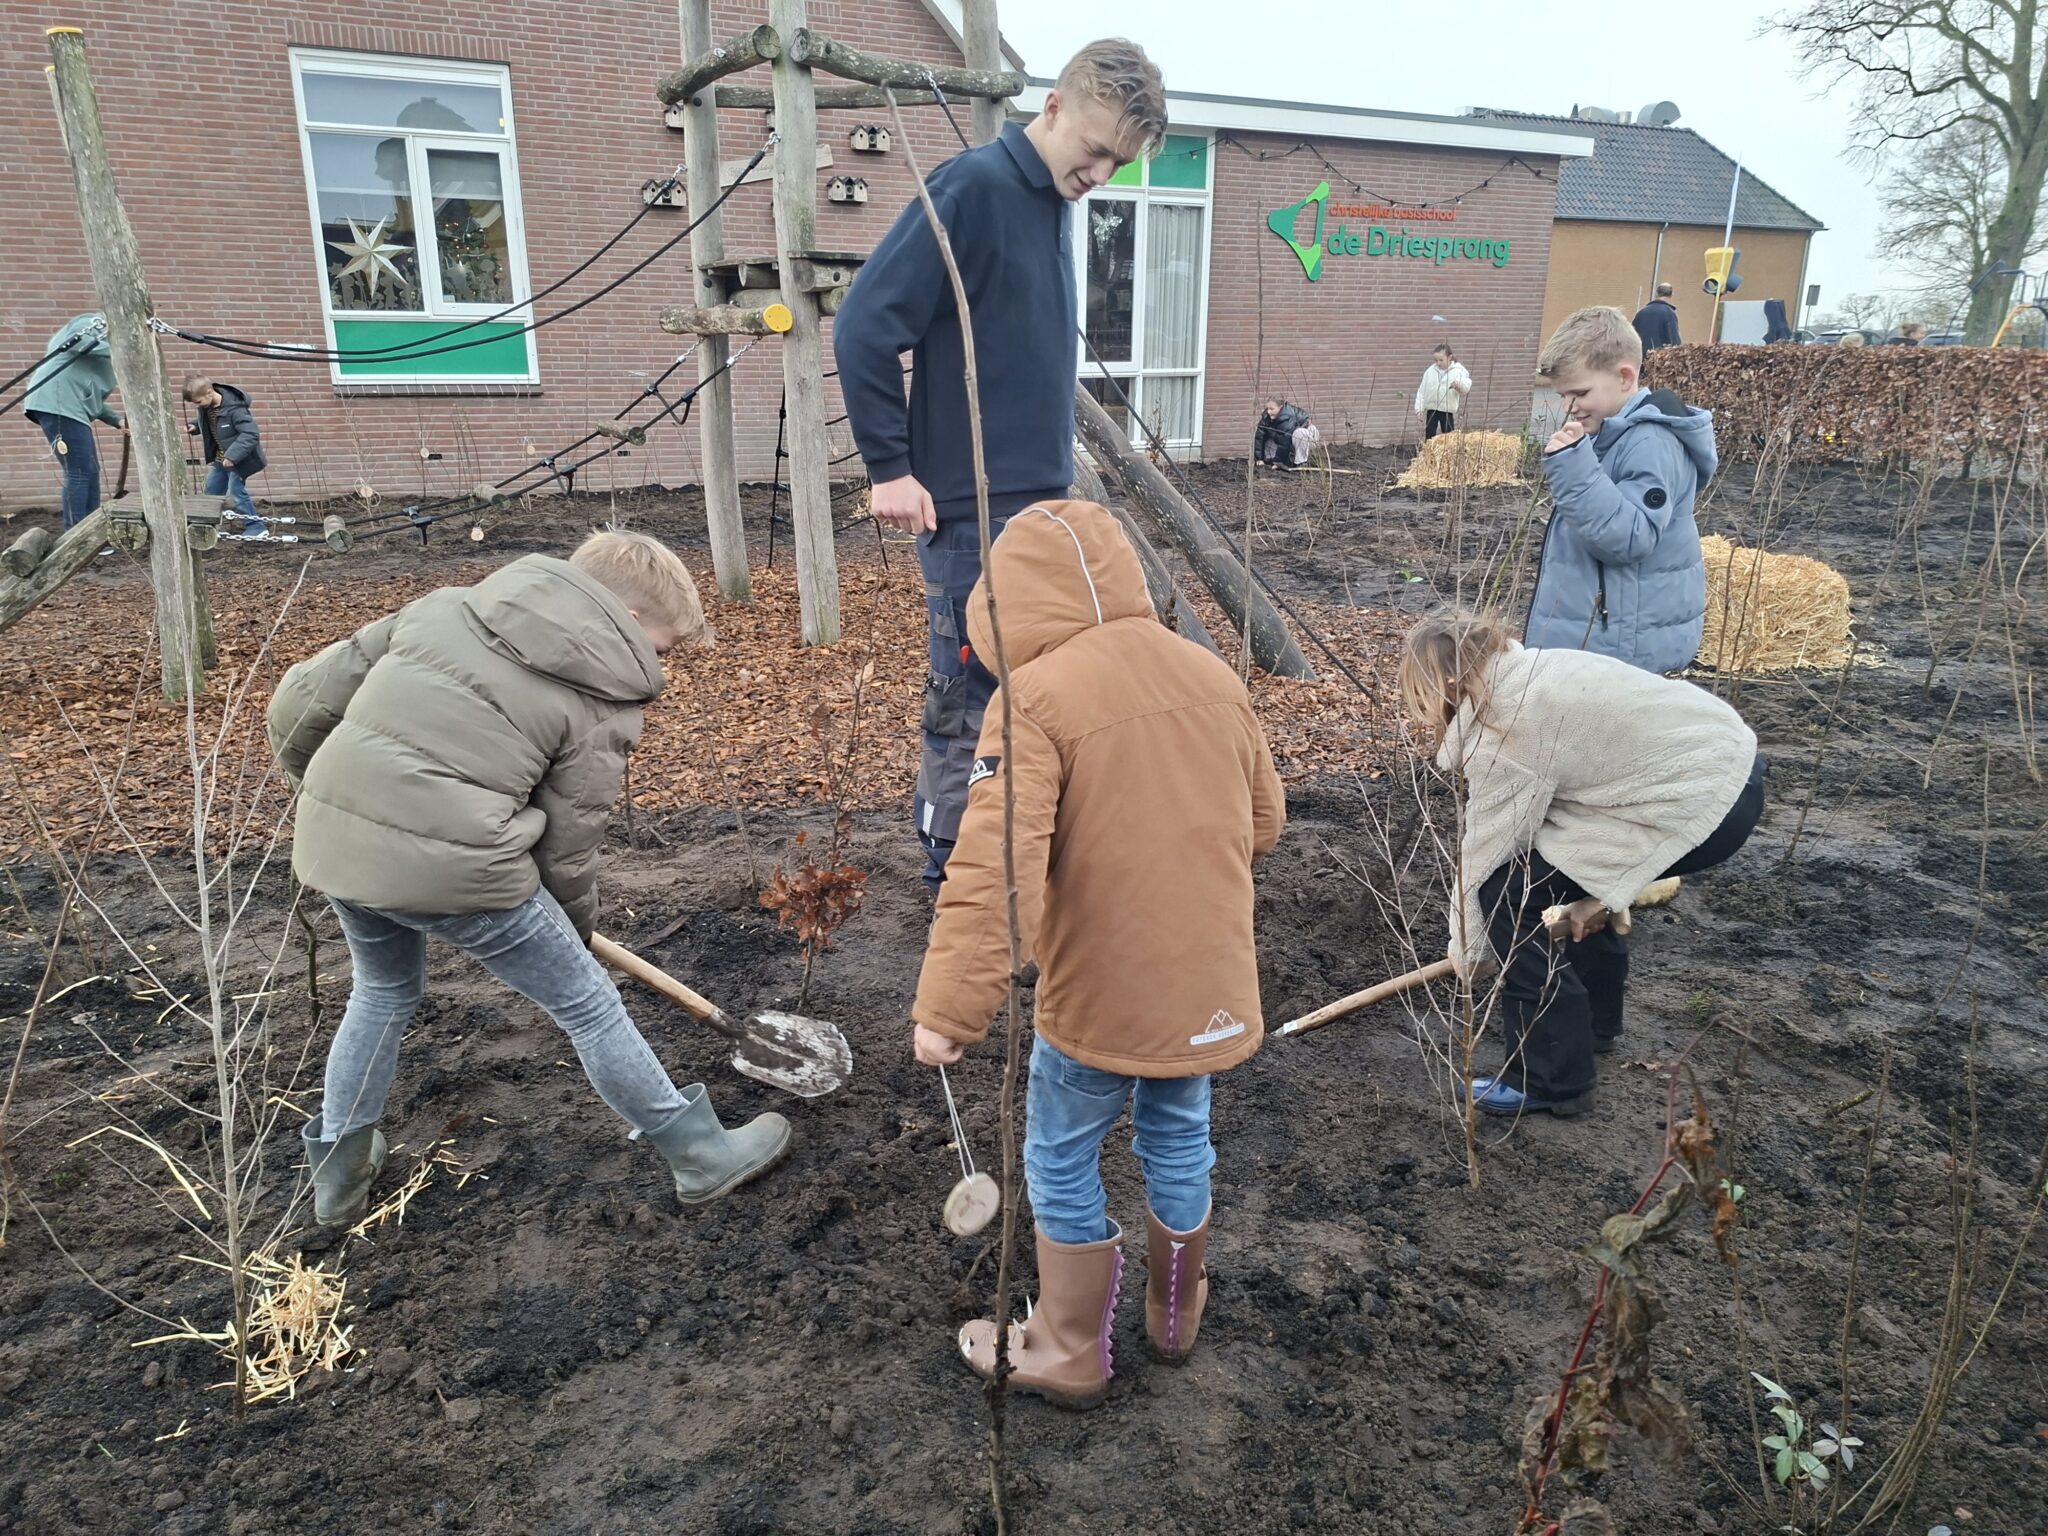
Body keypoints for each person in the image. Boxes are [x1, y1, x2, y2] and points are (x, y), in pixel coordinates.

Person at [267, 531, 791, 1225]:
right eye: (663, 647)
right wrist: (570, 937)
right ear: (627, 620)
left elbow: (297, 704)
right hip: (459, 864)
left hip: (336, 838)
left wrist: (338, 798)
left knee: (384, 989)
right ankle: (701, 1157)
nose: (660, 665)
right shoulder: (603, 693)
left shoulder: (444, 608)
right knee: (588, 1003)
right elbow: (569, 846)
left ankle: (339, 1173)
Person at [910, 500, 1285, 1407]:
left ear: (1005, 607)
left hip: (1100, 988)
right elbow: (1265, 824)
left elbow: (998, 866)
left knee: (1061, 1151)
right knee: (1179, 1130)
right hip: (1206, 979)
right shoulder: (1209, 671)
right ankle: (1173, 1316)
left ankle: (1072, 1344)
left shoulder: (1034, 698)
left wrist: (949, 1009)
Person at [834, 39, 1168, 896]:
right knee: (966, 694)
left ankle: (1007, 853)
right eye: (1095, 150)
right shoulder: (976, 188)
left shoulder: (1051, 202)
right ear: (1052, 107)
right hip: (966, 511)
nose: (1101, 173)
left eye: (1118, 164)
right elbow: (867, 324)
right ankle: (955, 879)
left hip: (1035, 509)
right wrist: (890, 468)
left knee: (1027, 696)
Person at [1400, 612, 1766, 1117]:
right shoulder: (1543, 667)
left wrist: (1471, 952)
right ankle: (1594, 1024)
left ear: (1446, 682)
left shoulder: (1506, 728)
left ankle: (1551, 1082)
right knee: (1558, 866)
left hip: (1696, 804)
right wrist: (1594, 897)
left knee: (1510, 892)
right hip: (1735, 770)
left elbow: (1487, 850)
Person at [1527, 305, 1716, 674]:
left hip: (1621, 649)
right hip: (1607, 639)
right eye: (1563, 395)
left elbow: (1630, 537)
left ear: (1625, 377)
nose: (1569, 407)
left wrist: (1573, 465)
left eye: (1579, 392)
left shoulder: (1651, 441)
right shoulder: (1611, 434)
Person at [21, 313, 120, 530]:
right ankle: (75, 535)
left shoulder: (104, 351)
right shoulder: (94, 322)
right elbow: (79, 340)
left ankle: (91, 531)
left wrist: (118, 421)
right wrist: (124, 347)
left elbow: (90, 396)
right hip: (57, 403)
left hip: (68, 406)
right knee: (79, 471)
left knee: (89, 470)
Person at [182, 376, 269, 538]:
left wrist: (232, 456)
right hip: (221, 459)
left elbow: (251, 434)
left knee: (236, 492)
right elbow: (213, 423)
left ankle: (257, 527)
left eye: (198, 402)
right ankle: (208, 528)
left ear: (209, 393)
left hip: (240, 460)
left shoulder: (235, 409)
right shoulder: (206, 408)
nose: (197, 405)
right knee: (212, 492)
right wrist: (195, 425)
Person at [1413, 345, 1472, 439]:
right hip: (1432, 409)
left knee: (1449, 438)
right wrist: (1419, 408)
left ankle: (1450, 453)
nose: (1438, 363)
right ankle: (1428, 453)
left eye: (1441, 360)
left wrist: (1458, 385)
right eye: (1436, 360)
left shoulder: (1458, 370)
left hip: (1447, 410)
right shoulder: (1430, 371)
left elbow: (1466, 387)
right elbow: (1422, 391)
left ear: (1449, 357)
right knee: (1429, 437)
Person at [1255, 398, 1318, 467]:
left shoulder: (1288, 418)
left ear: (1280, 407)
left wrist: (1280, 463)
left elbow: (1285, 441)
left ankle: (1301, 463)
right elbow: (1259, 437)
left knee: (1299, 433)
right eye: (1267, 408)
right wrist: (1259, 458)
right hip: (1287, 441)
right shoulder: (1266, 417)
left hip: (1307, 438)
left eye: (1272, 409)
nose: (1268, 412)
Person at [1631, 282, 1682, 354]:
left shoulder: (1641, 312)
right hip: (1660, 359)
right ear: (1671, 294)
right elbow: (1674, 340)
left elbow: (1631, 336)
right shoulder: (1669, 313)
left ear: (1657, 293)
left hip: (1641, 358)